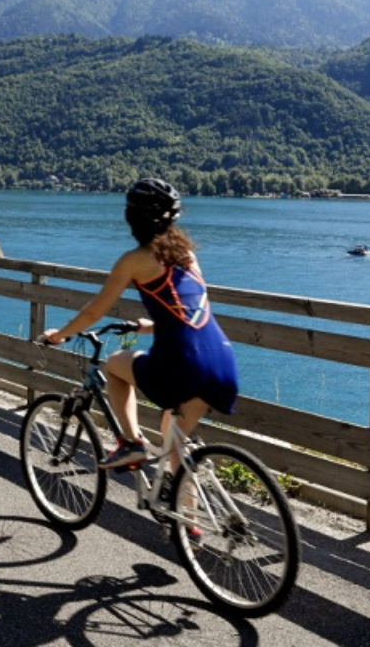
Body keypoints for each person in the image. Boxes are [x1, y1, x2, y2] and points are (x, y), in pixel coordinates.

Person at [42, 177, 238, 471]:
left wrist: (59, 335)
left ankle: (131, 443)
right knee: (176, 448)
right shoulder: (187, 255)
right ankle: (188, 518)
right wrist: (148, 326)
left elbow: (93, 312)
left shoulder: (134, 260)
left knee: (114, 363)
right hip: (222, 361)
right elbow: (191, 313)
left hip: (184, 364)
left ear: (133, 217)